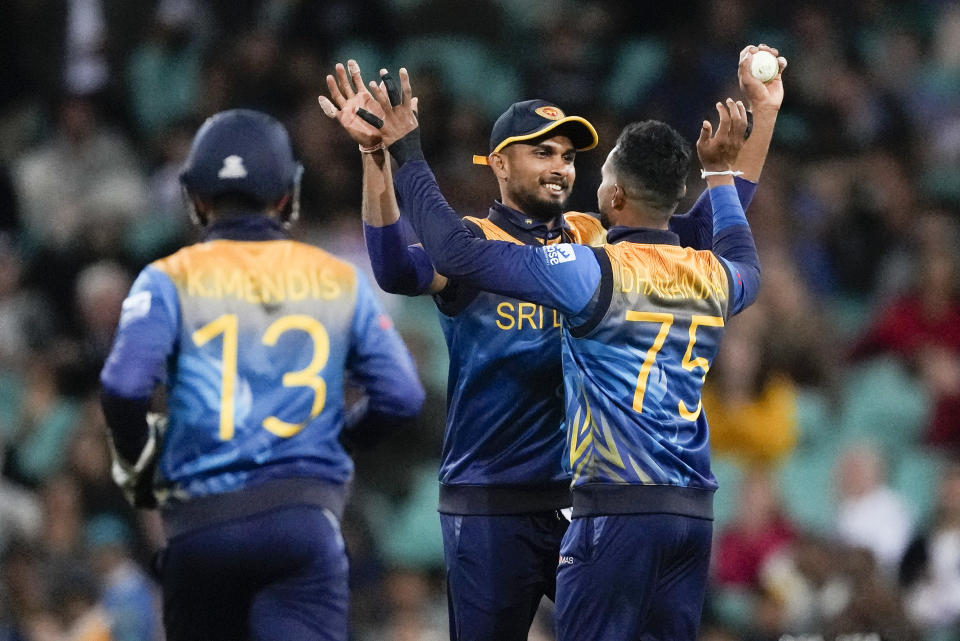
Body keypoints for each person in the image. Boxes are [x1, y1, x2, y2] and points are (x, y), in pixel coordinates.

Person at [318, 45, 784, 641]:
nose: (561, 166)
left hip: (583, 498)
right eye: (542, 152)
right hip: (491, 498)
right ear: (499, 165)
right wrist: (376, 157)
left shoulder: (595, 241)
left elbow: (694, 229)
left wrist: (751, 135)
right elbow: (392, 269)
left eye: (567, 155)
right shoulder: (471, 240)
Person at [98, 108, 425, 641]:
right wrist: (340, 439)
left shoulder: (165, 279)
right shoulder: (337, 279)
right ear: (286, 195)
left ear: (197, 198)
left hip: (199, 527)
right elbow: (402, 396)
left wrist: (139, 463)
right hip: (300, 521)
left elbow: (122, 386)